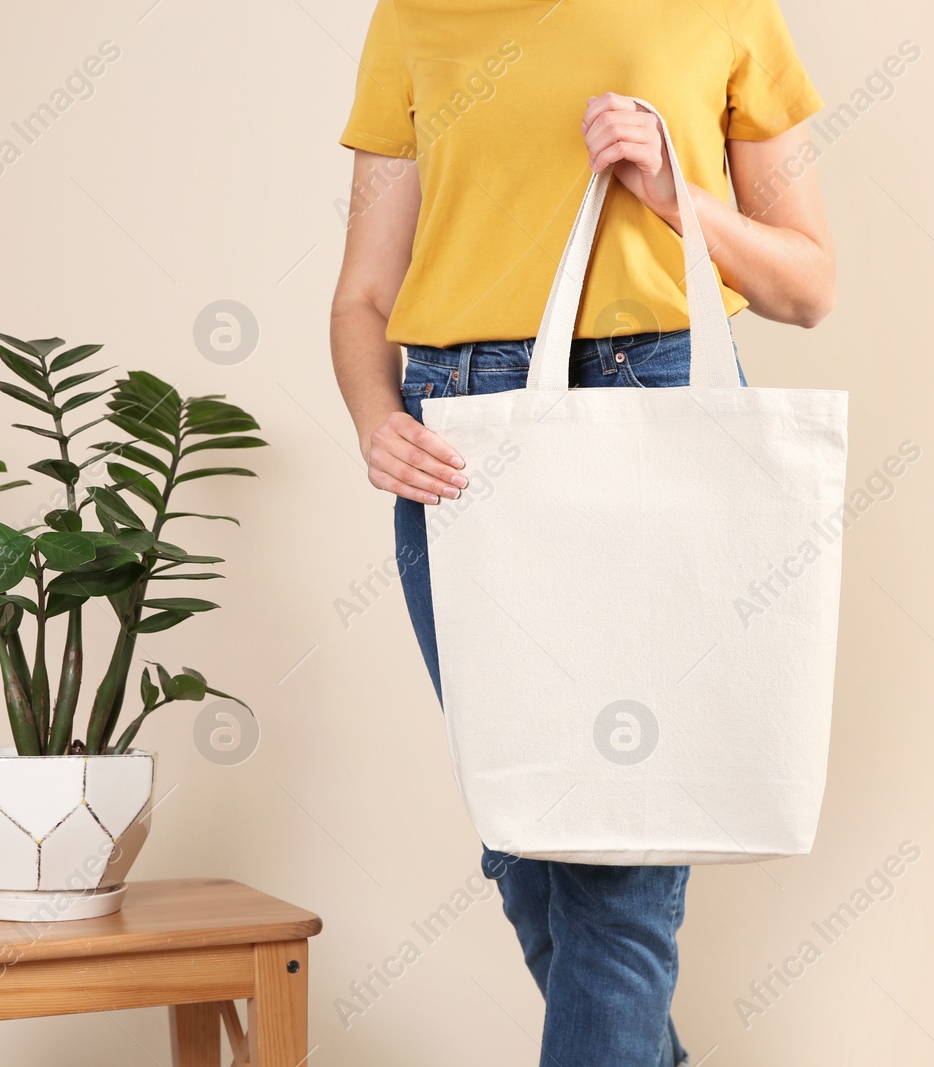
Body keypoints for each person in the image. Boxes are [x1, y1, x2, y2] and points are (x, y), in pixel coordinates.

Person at [329, 3, 834, 1063]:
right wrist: (378, 421)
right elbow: (365, 293)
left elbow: (807, 284)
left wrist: (672, 198)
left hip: (655, 407)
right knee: (530, 841)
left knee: (614, 871)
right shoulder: (414, 14)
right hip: (456, 443)